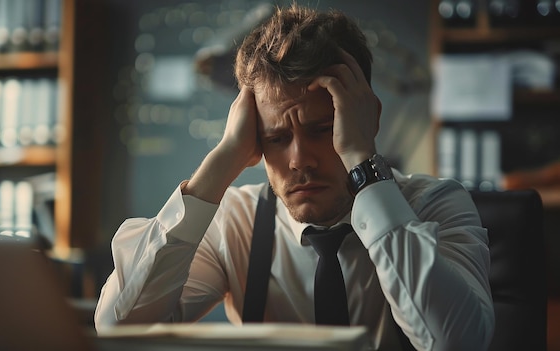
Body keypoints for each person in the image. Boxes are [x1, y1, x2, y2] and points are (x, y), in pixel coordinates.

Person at [95, 3, 495, 350]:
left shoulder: (437, 206)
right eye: (277, 137)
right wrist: (223, 159)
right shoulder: (237, 223)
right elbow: (120, 329)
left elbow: (457, 342)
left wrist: (362, 159)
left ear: (365, 118)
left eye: (322, 130)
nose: (299, 159)